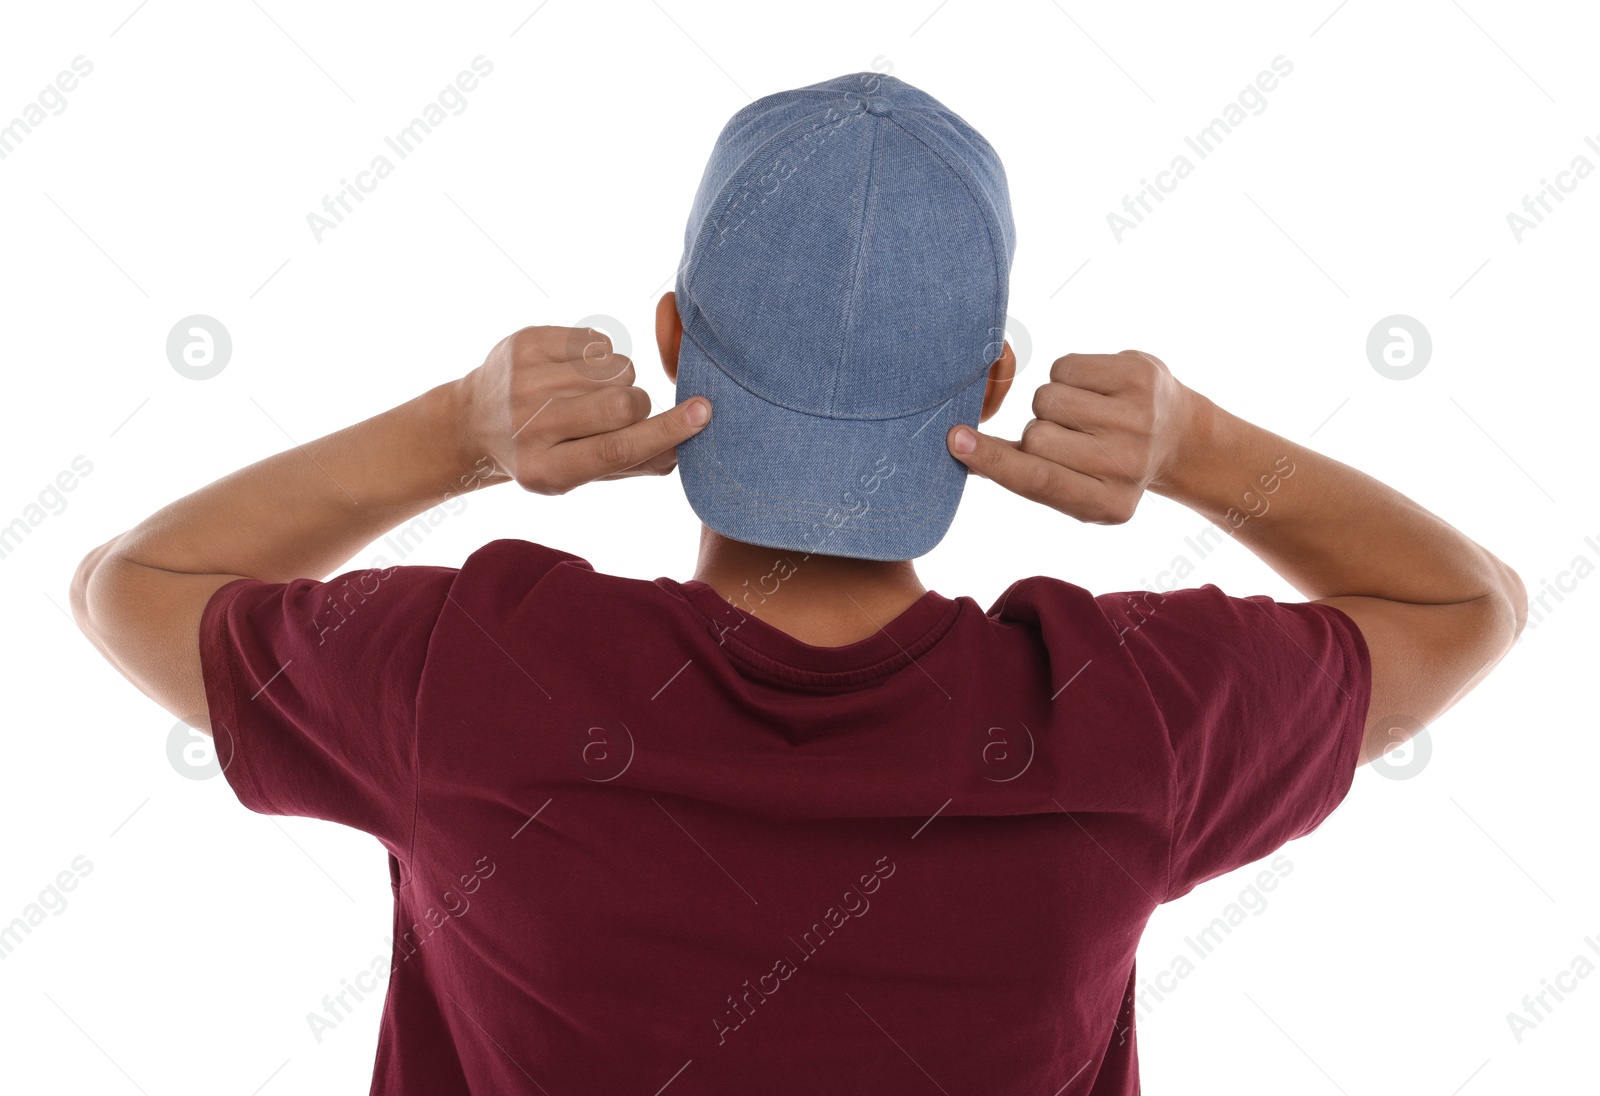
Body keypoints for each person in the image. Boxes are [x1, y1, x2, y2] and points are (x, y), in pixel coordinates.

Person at [69, 72, 1524, 1094]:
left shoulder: (482, 672)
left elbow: (131, 584)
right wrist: (1198, 447)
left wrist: (460, 433)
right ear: (998, 380)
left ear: (671, 335)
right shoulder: (1118, 719)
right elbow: (1466, 608)